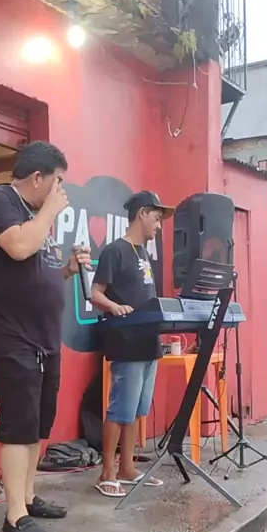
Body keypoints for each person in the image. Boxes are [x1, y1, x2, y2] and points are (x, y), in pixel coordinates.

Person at [0, 141, 91, 532]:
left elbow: (40, 269)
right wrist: (50, 211)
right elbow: (20, 247)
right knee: (18, 423)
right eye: (58, 181)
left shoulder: (36, 217)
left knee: (39, 422)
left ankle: (27, 496)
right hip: (11, 334)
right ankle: (14, 515)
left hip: (44, 335)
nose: (61, 190)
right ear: (37, 177)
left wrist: (68, 269)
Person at [91, 190, 175, 498]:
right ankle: (107, 472)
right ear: (141, 214)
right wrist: (114, 306)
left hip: (148, 342)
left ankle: (127, 467)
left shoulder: (143, 253)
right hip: (126, 342)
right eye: (156, 218)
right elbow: (95, 293)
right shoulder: (116, 250)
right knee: (121, 409)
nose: (159, 225)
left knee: (138, 409)